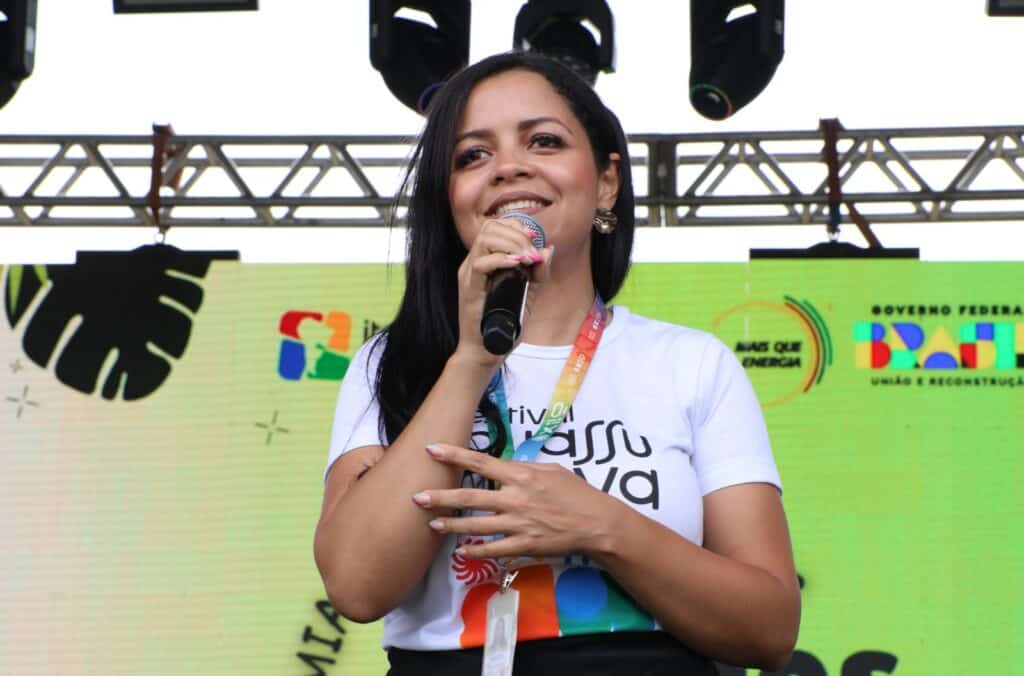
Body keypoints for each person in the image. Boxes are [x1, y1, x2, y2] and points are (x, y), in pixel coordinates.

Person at [314, 50, 801, 675]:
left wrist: (602, 526)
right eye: (472, 155)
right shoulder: (391, 363)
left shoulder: (691, 364)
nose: (509, 167)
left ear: (606, 182)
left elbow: (768, 627)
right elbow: (357, 587)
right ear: (451, 200)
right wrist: (470, 360)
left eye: (543, 141)